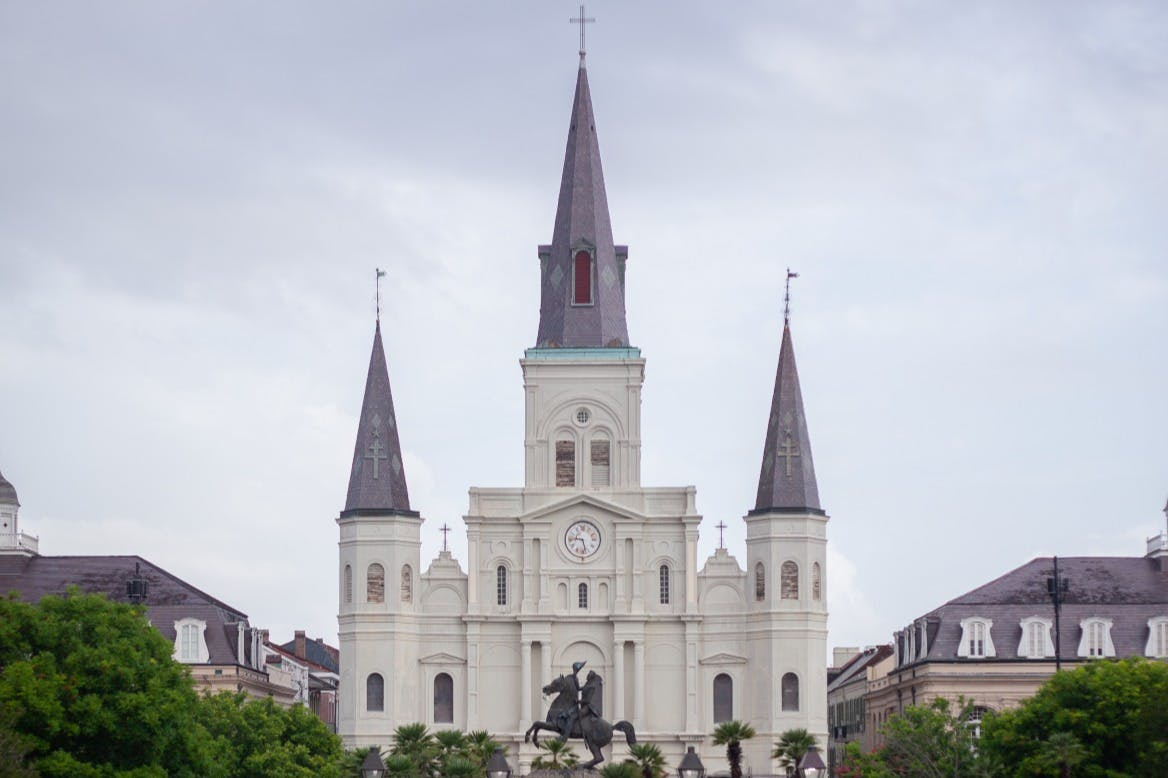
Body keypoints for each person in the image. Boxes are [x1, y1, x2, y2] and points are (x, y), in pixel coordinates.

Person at [557, 660, 587, 741]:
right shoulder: (571, 677)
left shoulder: (574, 678)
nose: (576, 671)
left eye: (577, 670)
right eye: (577, 669)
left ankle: (564, 737)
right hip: (570, 701)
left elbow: (578, 688)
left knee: (571, 718)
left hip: (574, 702)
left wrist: (585, 686)